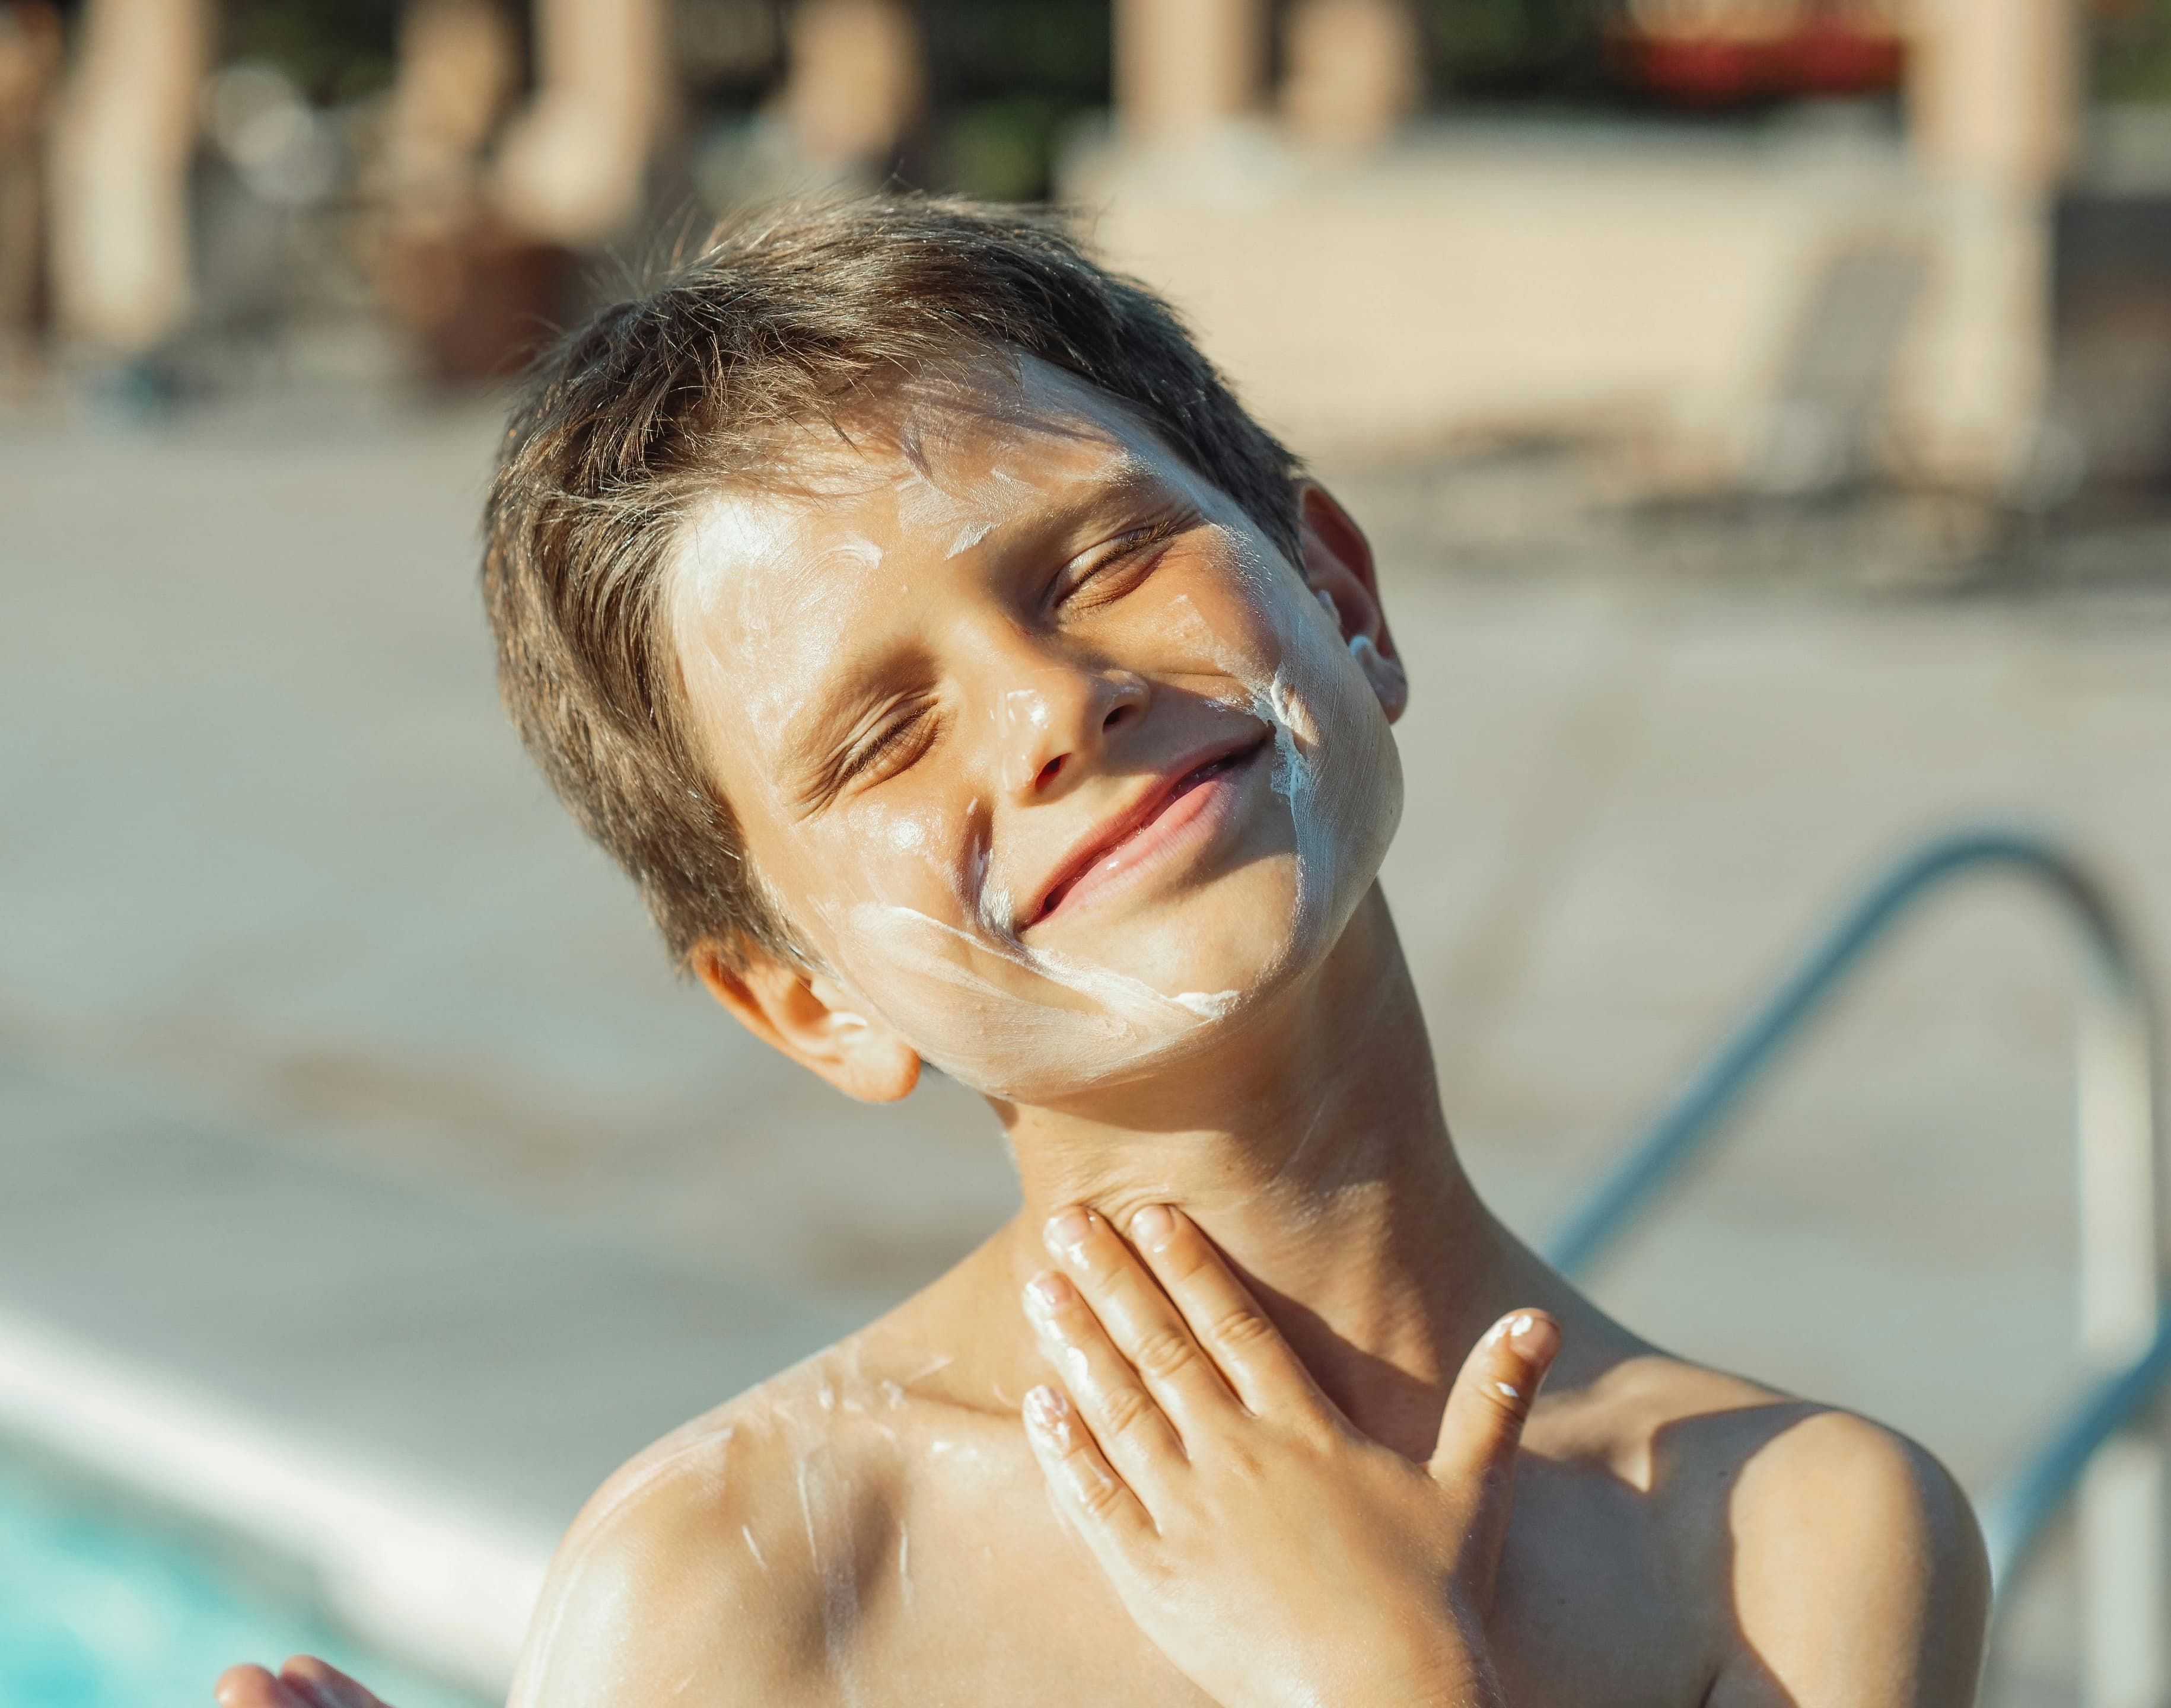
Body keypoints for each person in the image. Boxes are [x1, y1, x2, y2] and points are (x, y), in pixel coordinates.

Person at [219, 194, 1988, 1708]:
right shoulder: (752, 1571)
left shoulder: (1789, 1535)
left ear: (1344, 603)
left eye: (1108, 559)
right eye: (877, 736)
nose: (1056, 705)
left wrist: (1379, 1675)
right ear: (800, 995)